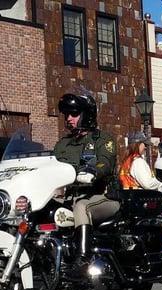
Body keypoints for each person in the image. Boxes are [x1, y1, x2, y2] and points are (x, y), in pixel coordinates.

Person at [53, 90, 120, 278]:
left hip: (102, 197)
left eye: (73, 114)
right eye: (66, 114)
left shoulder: (102, 139)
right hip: (69, 198)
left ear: (87, 115)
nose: (68, 118)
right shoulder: (63, 144)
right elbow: (50, 164)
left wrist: (93, 171)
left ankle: (83, 258)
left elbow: (105, 162)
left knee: (82, 207)